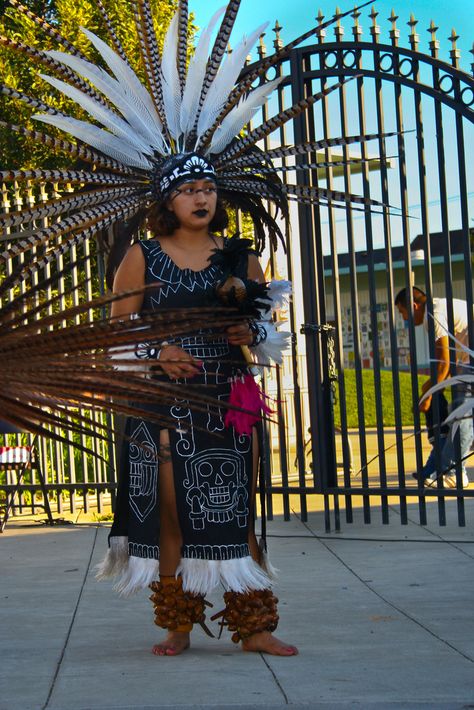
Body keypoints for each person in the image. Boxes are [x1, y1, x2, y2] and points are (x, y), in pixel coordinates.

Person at [97, 153, 297, 657]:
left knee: (234, 510)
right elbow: (117, 335)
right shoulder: (142, 255)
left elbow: (267, 331)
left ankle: (255, 627)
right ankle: (177, 624)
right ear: (167, 199)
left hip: (228, 398)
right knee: (170, 512)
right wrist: (157, 351)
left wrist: (249, 331)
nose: (201, 196)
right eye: (189, 189)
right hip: (164, 398)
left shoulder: (239, 257)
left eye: (208, 187)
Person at [395, 286, 473, 487]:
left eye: (403, 312)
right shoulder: (438, 308)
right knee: (452, 406)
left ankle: (453, 470)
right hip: (467, 359)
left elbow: (444, 363)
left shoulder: (434, 313)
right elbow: (448, 362)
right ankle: (436, 465)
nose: (404, 319)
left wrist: (429, 396)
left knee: (461, 413)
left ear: (413, 306)